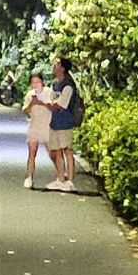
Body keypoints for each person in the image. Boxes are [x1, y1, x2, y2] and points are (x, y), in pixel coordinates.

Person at [46, 56, 82, 191]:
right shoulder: (56, 84)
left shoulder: (68, 85)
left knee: (67, 150)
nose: (55, 67)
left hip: (65, 122)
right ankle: (60, 178)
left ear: (62, 68)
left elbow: (62, 104)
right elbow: (50, 99)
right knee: (57, 150)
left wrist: (52, 104)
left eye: (57, 65)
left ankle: (70, 181)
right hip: (54, 121)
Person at [21, 71, 55, 188]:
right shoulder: (30, 94)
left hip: (47, 125)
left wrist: (41, 103)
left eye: (38, 82)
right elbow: (25, 110)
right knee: (32, 152)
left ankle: (61, 174)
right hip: (34, 126)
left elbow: (54, 107)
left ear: (42, 82)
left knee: (52, 152)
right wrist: (32, 103)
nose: (35, 85)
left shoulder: (49, 92)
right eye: (33, 82)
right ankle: (29, 177)